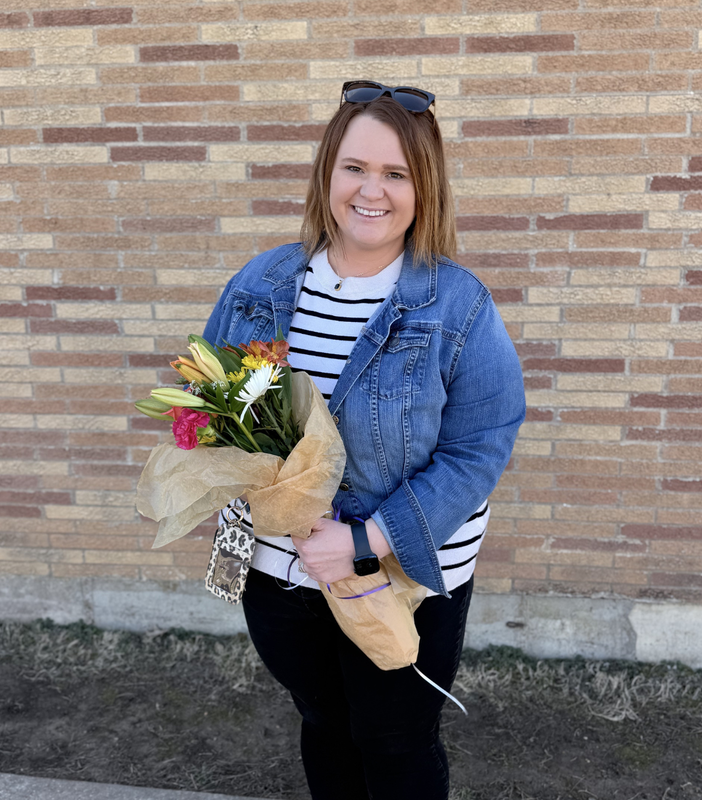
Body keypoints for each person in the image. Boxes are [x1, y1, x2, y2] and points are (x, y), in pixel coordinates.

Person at [202, 80, 526, 800]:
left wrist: (365, 537)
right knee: (323, 722)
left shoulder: (456, 305)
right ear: (327, 173)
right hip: (282, 577)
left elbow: (480, 447)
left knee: (396, 739)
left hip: (401, 579)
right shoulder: (262, 283)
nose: (370, 191)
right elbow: (213, 401)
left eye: (396, 173)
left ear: (424, 187)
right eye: (354, 167)